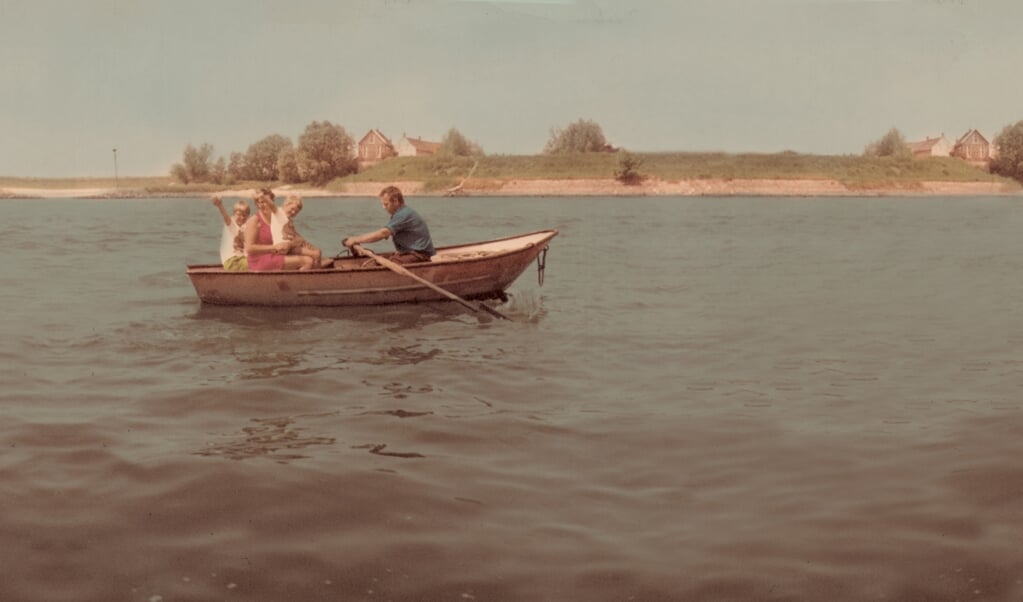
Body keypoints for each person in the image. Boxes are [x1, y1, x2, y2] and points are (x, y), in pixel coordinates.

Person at [342, 185, 435, 264]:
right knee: (375, 261)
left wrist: (355, 239)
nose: (384, 208)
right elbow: (384, 234)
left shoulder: (403, 214)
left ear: (395, 201)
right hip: (409, 253)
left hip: (420, 256)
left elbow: (383, 233)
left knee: (379, 264)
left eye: (386, 204)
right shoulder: (399, 214)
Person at [244, 188, 314, 271]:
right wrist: (274, 247)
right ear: (257, 204)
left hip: (274, 254)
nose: (265, 205)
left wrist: (296, 243)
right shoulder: (254, 220)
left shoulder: (276, 218)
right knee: (308, 261)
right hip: (259, 260)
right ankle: (297, 283)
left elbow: (288, 236)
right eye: (261, 202)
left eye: (267, 201)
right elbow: (249, 248)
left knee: (311, 255)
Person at [273, 195, 324, 268]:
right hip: (284, 247)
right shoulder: (279, 214)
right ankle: (315, 274)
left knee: (317, 251)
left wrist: (304, 242)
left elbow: (294, 234)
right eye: (292, 209)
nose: (293, 212)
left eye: (296, 212)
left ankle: (315, 269)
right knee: (316, 254)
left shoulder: (288, 219)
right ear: (286, 204)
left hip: (290, 246)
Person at [211, 195, 250, 271]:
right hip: (231, 260)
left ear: (248, 216)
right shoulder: (231, 224)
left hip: (241, 259)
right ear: (234, 214)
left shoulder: (246, 227)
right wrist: (220, 205)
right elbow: (225, 216)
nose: (241, 217)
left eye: (244, 215)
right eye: (238, 215)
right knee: (255, 264)